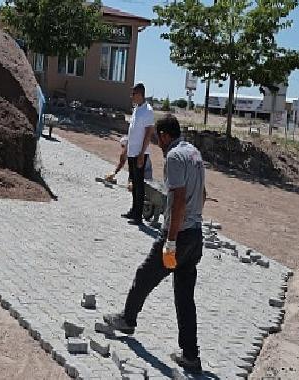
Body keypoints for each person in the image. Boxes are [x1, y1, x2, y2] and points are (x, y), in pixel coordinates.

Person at [102, 114, 206, 374]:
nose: (157, 142)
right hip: (194, 236)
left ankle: (127, 320)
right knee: (184, 297)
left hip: (178, 236)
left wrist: (170, 240)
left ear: (165, 135)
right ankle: (191, 356)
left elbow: (179, 198)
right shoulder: (194, 153)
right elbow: (202, 194)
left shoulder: (173, 157)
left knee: (145, 274)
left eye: (158, 138)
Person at [123, 83, 155, 226]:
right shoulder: (137, 109)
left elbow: (148, 133)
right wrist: (126, 149)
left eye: (133, 94)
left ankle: (138, 216)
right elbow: (133, 131)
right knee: (134, 183)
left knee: (139, 184)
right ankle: (134, 210)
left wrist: (142, 153)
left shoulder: (148, 110)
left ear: (140, 94)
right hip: (132, 151)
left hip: (140, 153)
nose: (132, 96)